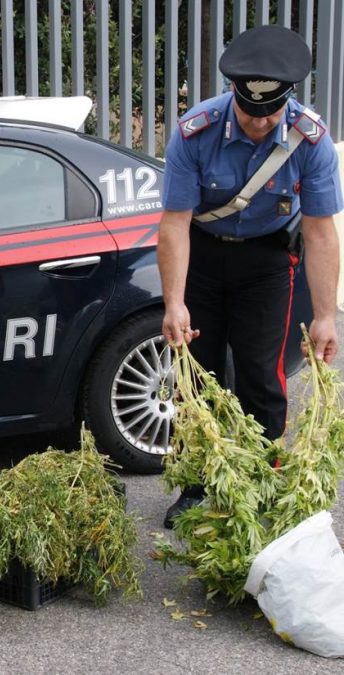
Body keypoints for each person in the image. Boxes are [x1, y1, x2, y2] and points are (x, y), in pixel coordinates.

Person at [158, 24, 343, 528]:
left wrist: (327, 317)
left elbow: (321, 233)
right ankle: (197, 486)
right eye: (249, 114)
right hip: (201, 255)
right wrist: (173, 302)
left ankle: (262, 478)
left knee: (264, 374)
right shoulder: (195, 131)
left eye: (271, 114)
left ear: (287, 98)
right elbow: (174, 224)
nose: (260, 125)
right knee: (196, 375)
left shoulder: (310, 140)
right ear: (234, 95)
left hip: (266, 262)